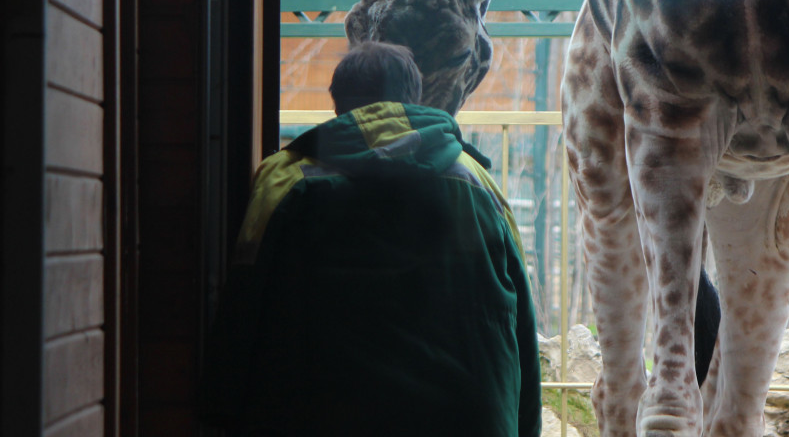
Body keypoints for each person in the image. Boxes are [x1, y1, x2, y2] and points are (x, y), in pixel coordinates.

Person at [202, 41, 542, 437]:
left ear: (338, 105)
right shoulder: (478, 183)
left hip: (323, 414)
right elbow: (519, 314)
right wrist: (525, 424)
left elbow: (244, 299)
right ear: (413, 99)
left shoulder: (285, 180)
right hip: (468, 417)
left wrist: (219, 409)